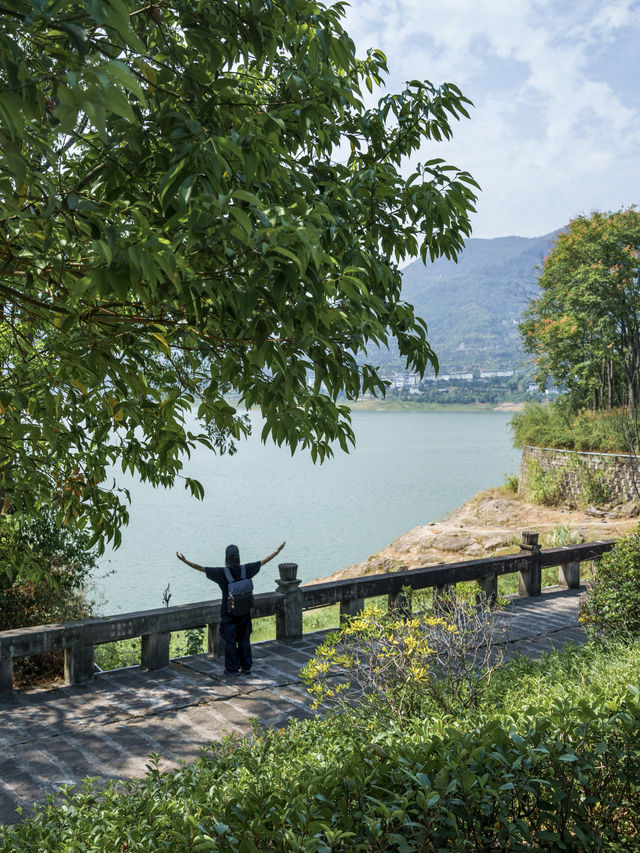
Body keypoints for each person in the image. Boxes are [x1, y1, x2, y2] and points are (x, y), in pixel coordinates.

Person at [176, 541, 285, 676]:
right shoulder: (247, 570)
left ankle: (232, 669)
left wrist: (185, 561)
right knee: (244, 640)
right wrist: (277, 551)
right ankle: (246, 667)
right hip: (244, 612)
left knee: (230, 641)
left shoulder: (222, 573)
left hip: (228, 613)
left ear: (226, 558)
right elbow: (262, 562)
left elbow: (202, 568)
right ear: (238, 557)